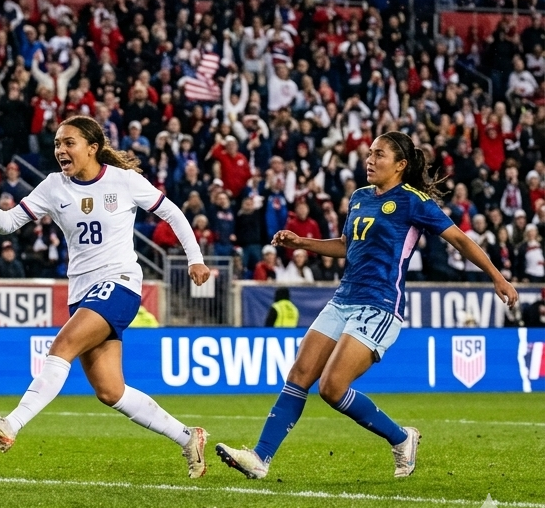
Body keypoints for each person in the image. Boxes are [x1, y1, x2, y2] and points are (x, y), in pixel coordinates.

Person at [217, 131, 518, 480]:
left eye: (379, 155)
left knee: (331, 388)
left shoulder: (413, 201)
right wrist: (301, 242)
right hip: (343, 299)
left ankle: (402, 438)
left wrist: (497, 276)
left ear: (401, 165)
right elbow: (347, 245)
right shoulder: (360, 198)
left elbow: (460, 240)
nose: (370, 160)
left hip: (379, 306)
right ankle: (259, 458)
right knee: (299, 375)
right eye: (369, 153)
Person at [0, 115, 211, 477]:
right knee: (110, 391)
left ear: (92, 147)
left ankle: (12, 424)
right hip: (82, 292)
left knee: (61, 346)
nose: (60, 150)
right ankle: (189, 436)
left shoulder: (124, 181)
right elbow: (7, 224)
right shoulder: (53, 186)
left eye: (69, 143)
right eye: (57, 144)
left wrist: (195, 258)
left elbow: (172, 213)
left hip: (121, 283)